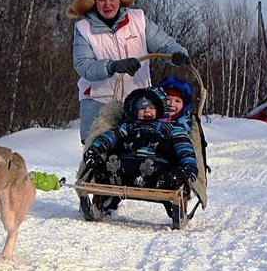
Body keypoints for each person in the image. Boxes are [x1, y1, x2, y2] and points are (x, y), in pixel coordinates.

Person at [68, 0, 190, 143]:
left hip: (138, 100)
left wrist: (178, 54)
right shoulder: (84, 28)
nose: (107, 5)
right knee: (96, 150)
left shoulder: (138, 20)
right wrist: (112, 66)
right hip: (98, 100)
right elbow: (83, 65)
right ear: (94, 2)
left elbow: (163, 43)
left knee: (138, 150)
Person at [82, 86, 199, 220]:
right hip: (129, 164)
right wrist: (95, 149)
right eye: (142, 108)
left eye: (151, 108)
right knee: (114, 164)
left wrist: (189, 166)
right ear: (134, 111)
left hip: (157, 166)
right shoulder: (128, 127)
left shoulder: (170, 128)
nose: (147, 111)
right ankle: (113, 175)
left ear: (160, 109)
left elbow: (183, 146)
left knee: (168, 172)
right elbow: (110, 137)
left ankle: (162, 180)